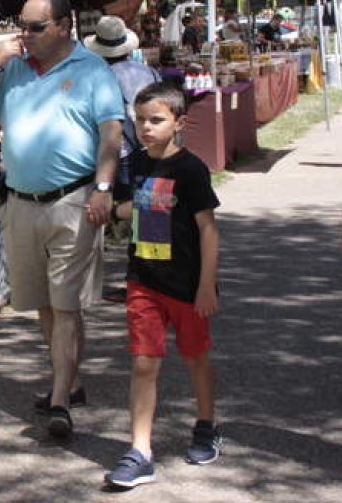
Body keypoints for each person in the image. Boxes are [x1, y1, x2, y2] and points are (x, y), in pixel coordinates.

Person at [0, 0, 124, 439]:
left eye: (37, 27)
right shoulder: (11, 69)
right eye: (22, 26)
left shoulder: (91, 69)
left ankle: (59, 400)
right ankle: (69, 382)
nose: (26, 35)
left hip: (74, 200)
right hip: (21, 202)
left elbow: (111, 134)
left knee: (66, 304)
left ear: (64, 26)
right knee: (45, 305)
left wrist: (104, 188)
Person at [105, 82, 221, 489]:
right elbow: (131, 207)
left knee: (195, 358)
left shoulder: (191, 170)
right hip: (143, 281)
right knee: (142, 363)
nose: (145, 127)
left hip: (187, 285)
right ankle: (140, 451)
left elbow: (208, 230)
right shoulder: (134, 164)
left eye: (156, 120)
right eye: (140, 120)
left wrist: (206, 285)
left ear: (179, 123)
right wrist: (112, 209)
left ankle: (206, 425)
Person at [84, 15, 161, 202]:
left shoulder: (101, 78)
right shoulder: (149, 72)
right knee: (147, 203)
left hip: (120, 151)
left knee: (122, 205)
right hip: (151, 146)